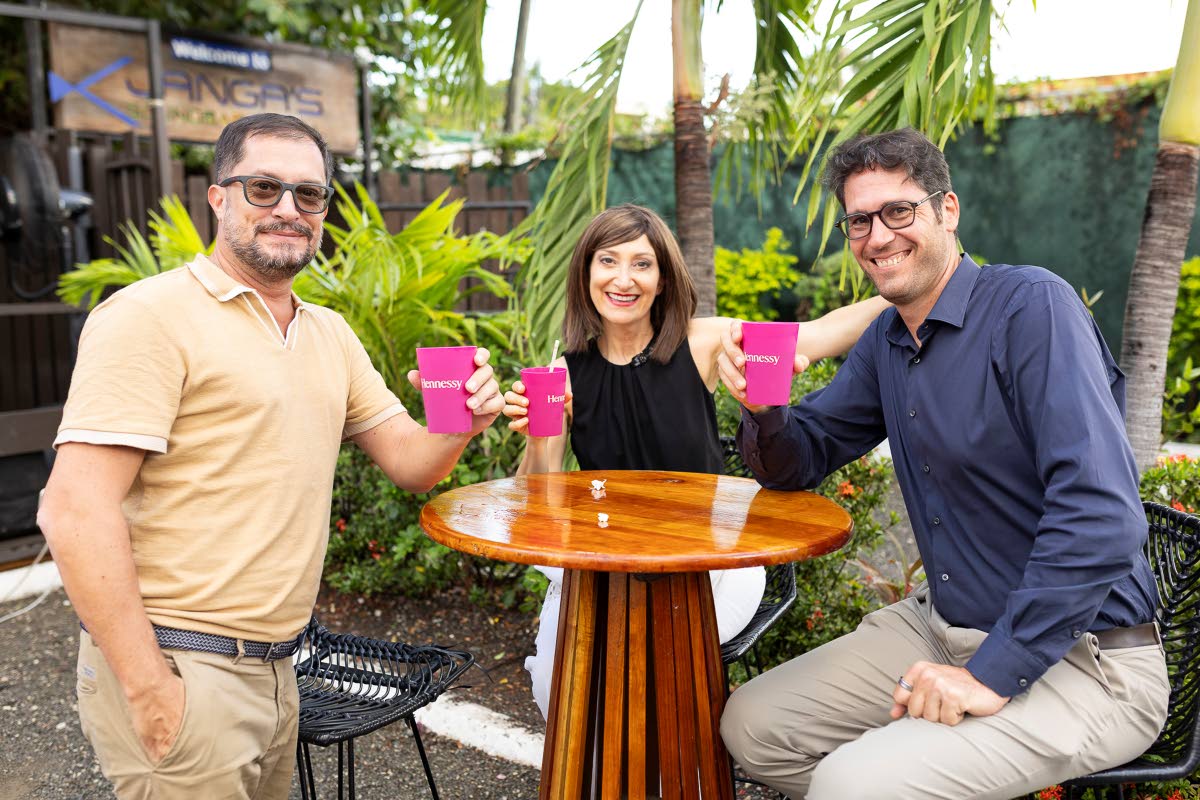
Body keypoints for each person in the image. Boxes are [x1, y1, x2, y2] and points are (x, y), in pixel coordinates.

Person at [36, 113, 504, 800]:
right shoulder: (150, 317)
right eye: (263, 188)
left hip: (281, 667)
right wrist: (149, 688)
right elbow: (73, 511)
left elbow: (410, 462)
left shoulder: (328, 333)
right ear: (218, 198)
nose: (288, 208)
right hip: (183, 664)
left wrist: (463, 418)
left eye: (308, 195)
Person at [715, 128, 1169, 799]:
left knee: (851, 785)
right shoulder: (889, 340)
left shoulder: (1031, 307)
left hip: (1085, 658)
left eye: (899, 211)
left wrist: (989, 673)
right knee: (753, 726)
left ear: (946, 210)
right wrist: (765, 407)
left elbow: (1101, 516)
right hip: (942, 627)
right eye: (859, 221)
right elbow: (796, 462)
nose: (878, 236)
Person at [502, 204, 889, 718]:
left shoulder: (702, 341)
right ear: (586, 274)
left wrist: (905, 291)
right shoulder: (563, 373)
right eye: (608, 261)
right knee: (561, 695)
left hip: (711, 562)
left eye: (642, 264)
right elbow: (539, 504)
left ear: (662, 279)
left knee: (640, 683)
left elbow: (818, 334)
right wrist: (537, 436)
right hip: (609, 564)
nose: (623, 278)